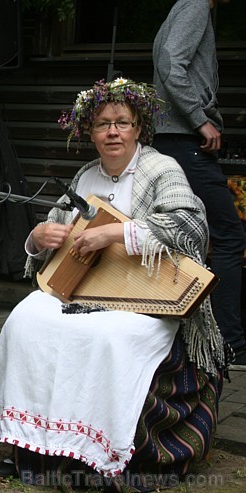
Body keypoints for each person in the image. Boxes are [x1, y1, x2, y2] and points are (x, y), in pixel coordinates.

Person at [0, 79, 225, 491]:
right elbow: (55, 232)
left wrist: (115, 234)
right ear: (89, 132)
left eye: (122, 123)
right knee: (23, 321)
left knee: (109, 340)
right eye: (102, 124)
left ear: (139, 128)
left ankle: (104, 456)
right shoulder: (85, 176)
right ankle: (29, 447)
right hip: (86, 292)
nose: (112, 132)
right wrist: (39, 237)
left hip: (148, 298)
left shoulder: (160, 168)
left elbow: (190, 227)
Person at [152, 0, 246, 366]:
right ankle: (230, 342)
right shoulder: (194, 6)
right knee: (228, 235)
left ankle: (190, 335)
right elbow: (171, 65)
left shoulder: (179, 6)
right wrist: (199, 118)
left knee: (182, 235)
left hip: (174, 139)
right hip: (185, 139)